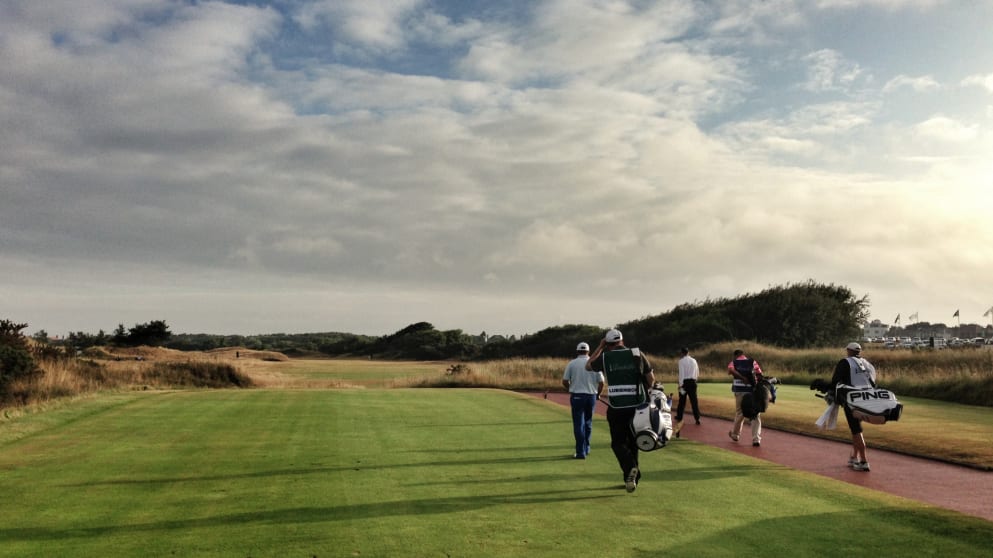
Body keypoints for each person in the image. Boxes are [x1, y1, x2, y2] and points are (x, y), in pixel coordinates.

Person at [586, 328, 656, 492]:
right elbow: (651, 379)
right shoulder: (637, 354)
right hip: (638, 407)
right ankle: (632, 479)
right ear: (622, 341)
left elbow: (588, 366)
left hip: (616, 407)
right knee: (633, 442)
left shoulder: (605, 356)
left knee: (618, 443)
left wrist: (600, 346)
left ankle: (631, 469)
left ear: (608, 344)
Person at [831, 342, 877, 472]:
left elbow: (835, 381)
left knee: (856, 429)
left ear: (849, 351)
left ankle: (864, 461)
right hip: (867, 399)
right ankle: (854, 457)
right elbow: (873, 382)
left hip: (852, 399)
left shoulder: (845, 362)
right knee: (856, 428)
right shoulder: (867, 364)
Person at [562, 342, 604, 459]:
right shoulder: (593, 363)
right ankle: (587, 448)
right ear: (588, 351)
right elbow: (601, 383)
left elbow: (565, 381)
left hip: (577, 396)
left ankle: (580, 452)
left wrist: (571, 388)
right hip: (591, 396)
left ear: (577, 351)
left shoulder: (572, 363)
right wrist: (598, 394)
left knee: (578, 424)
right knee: (588, 422)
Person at [727, 348, 764, 447]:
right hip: (752, 392)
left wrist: (742, 378)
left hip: (739, 391)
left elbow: (730, 370)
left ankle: (735, 435)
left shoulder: (733, 362)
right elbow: (759, 374)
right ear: (743, 354)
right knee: (755, 415)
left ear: (735, 355)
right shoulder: (752, 362)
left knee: (740, 413)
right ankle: (756, 439)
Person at [674, 347, 701, 436]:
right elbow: (697, 372)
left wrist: (680, 384)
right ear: (688, 352)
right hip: (693, 382)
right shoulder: (694, 360)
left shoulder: (681, 361)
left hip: (684, 383)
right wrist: (695, 380)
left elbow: (681, 374)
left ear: (682, 353)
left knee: (682, 401)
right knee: (694, 401)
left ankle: (679, 417)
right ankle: (697, 418)